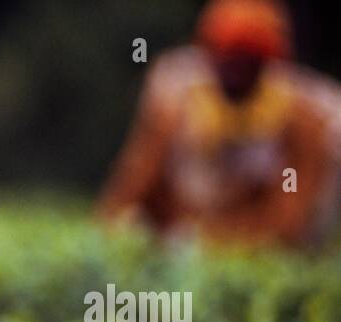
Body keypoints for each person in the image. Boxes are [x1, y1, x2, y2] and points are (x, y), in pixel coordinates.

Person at [99, 0, 341, 248]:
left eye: (247, 62)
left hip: (251, 247)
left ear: (267, 65)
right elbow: (130, 191)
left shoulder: (301, 122)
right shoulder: (174, 105)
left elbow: (290, 220)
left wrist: (215, 242)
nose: (235, 73)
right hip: (174, 241)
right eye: (228, 58)